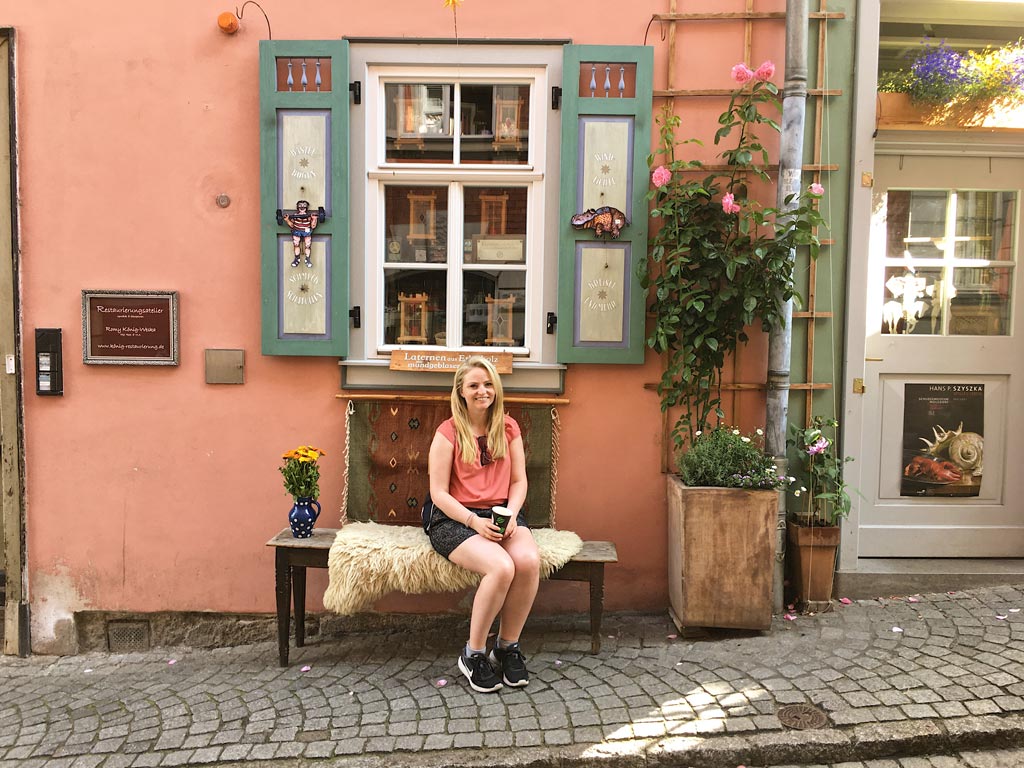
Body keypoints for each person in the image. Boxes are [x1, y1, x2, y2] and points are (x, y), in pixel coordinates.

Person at [423, 356, 540, 693]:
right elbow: (439, 494)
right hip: (454, 518)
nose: (482, 391)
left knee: (528, 562)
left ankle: (506, 648)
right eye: (474, 385)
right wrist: (474, 522)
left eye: (488, 384)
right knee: (501, 567)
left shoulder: (508, 427)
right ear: (461, 391)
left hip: (502, 513)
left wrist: (513, 513)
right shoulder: (447, 433)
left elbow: (519, 482)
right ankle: (473, 654)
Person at [282, 200, 319, 267]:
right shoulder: (295, 216)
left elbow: (313, 226)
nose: (302, 207)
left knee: (308, 245)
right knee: (296, 245)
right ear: (297, 207)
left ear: (306, 207)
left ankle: (307, 259)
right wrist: (287, 220)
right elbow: (292, 225)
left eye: (304, 205)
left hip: (306, 232)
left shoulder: (308, 216)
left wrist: (314, 219)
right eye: (300, 205)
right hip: (297, 231)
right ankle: (297, 259)